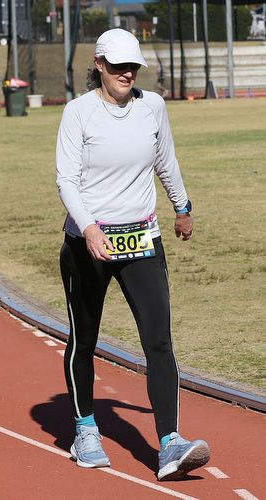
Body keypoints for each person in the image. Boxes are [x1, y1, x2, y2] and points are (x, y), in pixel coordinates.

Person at [56, 28, 210, 480]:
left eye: (133, 66)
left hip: (142, 239)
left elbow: (166, 159)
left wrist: (182, 207)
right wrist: (87, 228)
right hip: (88, 244)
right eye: (118, 65)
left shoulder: (153, 106)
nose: (127, 73)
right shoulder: (78, 113)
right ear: (99, 64)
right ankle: (85, 429)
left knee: (159, 341)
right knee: (84, 339)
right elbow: (66, 179)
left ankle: (169, 443)